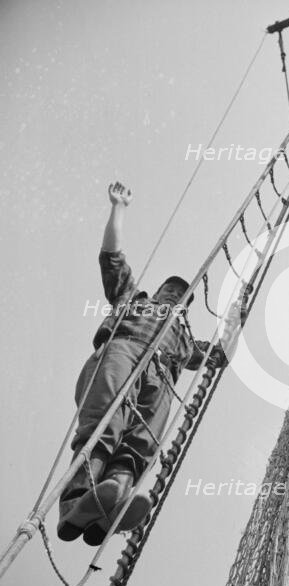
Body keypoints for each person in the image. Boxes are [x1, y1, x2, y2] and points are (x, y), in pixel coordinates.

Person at [58, 181, 214, 545]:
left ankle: (112, 498)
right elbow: (112, 257)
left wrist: (238, 315)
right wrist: (119, 207)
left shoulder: (186, 338)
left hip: (161, 375)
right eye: (170, 288)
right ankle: (77, 499)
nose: (175, 293)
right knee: (107, 421)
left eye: (181, 293)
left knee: (144, 438)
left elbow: (217, 355)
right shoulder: (135, 299)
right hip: (124, 350)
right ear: (159, 291)